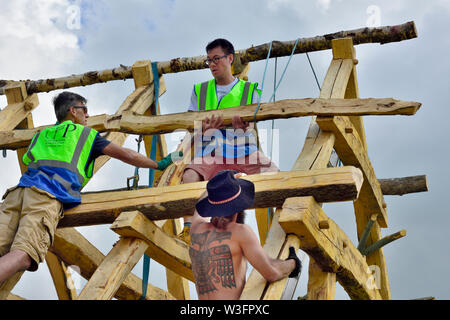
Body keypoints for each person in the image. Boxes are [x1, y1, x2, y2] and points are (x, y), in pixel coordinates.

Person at [0, 91, 180, 298]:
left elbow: (31, 160)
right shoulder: (86, 135)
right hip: (46, 196)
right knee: (24, 255)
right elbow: (128, 154)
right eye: (84, 110)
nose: (87, 115)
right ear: (72, 111)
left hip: (16, 194)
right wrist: (159, 164)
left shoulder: (42, 134)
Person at [179, 38, 279, 243]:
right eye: (208, 61)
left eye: (216, 59)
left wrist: (245, 128)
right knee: (188, 176)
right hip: (211, 153)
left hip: (242, 150)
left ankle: (284, 224)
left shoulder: (251, 90)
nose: (212, 65)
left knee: (274, 172)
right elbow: (192, 127)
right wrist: (203, 130)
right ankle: (188, 229)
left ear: (230, 58)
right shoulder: (200, 90)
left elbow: (251, 123)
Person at [189, 170, 301, 300]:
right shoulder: (240, 232)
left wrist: (221, 185)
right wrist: (293, 263)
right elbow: (272, 272)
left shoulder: (196, 229)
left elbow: (198, 207)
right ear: (239, 203)